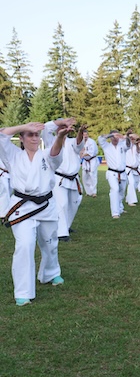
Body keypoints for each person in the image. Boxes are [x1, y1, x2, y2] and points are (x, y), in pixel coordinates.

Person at [0, 121, 71, 306]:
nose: (34, 138)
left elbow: (55, 152)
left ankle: (50, 273)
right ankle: (23, 292)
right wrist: (25, 126)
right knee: (25, 244)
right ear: (21, 139)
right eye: (30, 135)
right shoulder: (12, 155)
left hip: (46, 205)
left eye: (36, 135)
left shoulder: (45, 155)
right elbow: (2, 135)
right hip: (22, 207)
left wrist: (60, 136)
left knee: (50, 242)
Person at [42, 119, 84, 242]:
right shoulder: (50, 140)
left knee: (74, 202)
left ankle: (66, 226)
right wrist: (60, 121)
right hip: (58, 177)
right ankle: (61, 233)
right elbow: (45, 128)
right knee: (62, 204)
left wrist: (80, 132)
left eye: (65, 127)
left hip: (73, 178)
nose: (63, 129)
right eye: (61, 127)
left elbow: (79, 146)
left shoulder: (72, 142)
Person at [98, 130, 130, 219]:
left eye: (117, 137)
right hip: (112, 173)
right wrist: (111, 135)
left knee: (121, 192)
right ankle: (115, 213)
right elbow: (100, 138)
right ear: (110, 138)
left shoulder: (122, 145)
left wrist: (126, 137)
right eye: (113, 137)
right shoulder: (106, 146)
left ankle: (120, 208)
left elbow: (128, 145)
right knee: (114, 190)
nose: (115, 139)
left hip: (122, 173)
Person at [124, 130, 140, 207]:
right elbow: (124, 138)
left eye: (133, 139)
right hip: (128, 168)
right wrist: (128, 135)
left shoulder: (136, 147)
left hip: (135, 168)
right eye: (131, 138)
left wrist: (136, 140)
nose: (133, 140)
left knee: (135, 183)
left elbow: (138, 138)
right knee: (131, 183)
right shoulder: (125, 146)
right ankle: (131, 201)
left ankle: (128, 198)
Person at [80, 128, 99, 197]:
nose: (85, 136)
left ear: (88, 135)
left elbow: (92, 152)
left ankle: (94, 192)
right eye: (84, 135)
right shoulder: (81, 142)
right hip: (85, 161)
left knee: (92, 175)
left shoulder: (91, 142)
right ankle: (88, 192)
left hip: (92, 160)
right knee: (84, 177)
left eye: (86, 135)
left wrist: (83, 154)